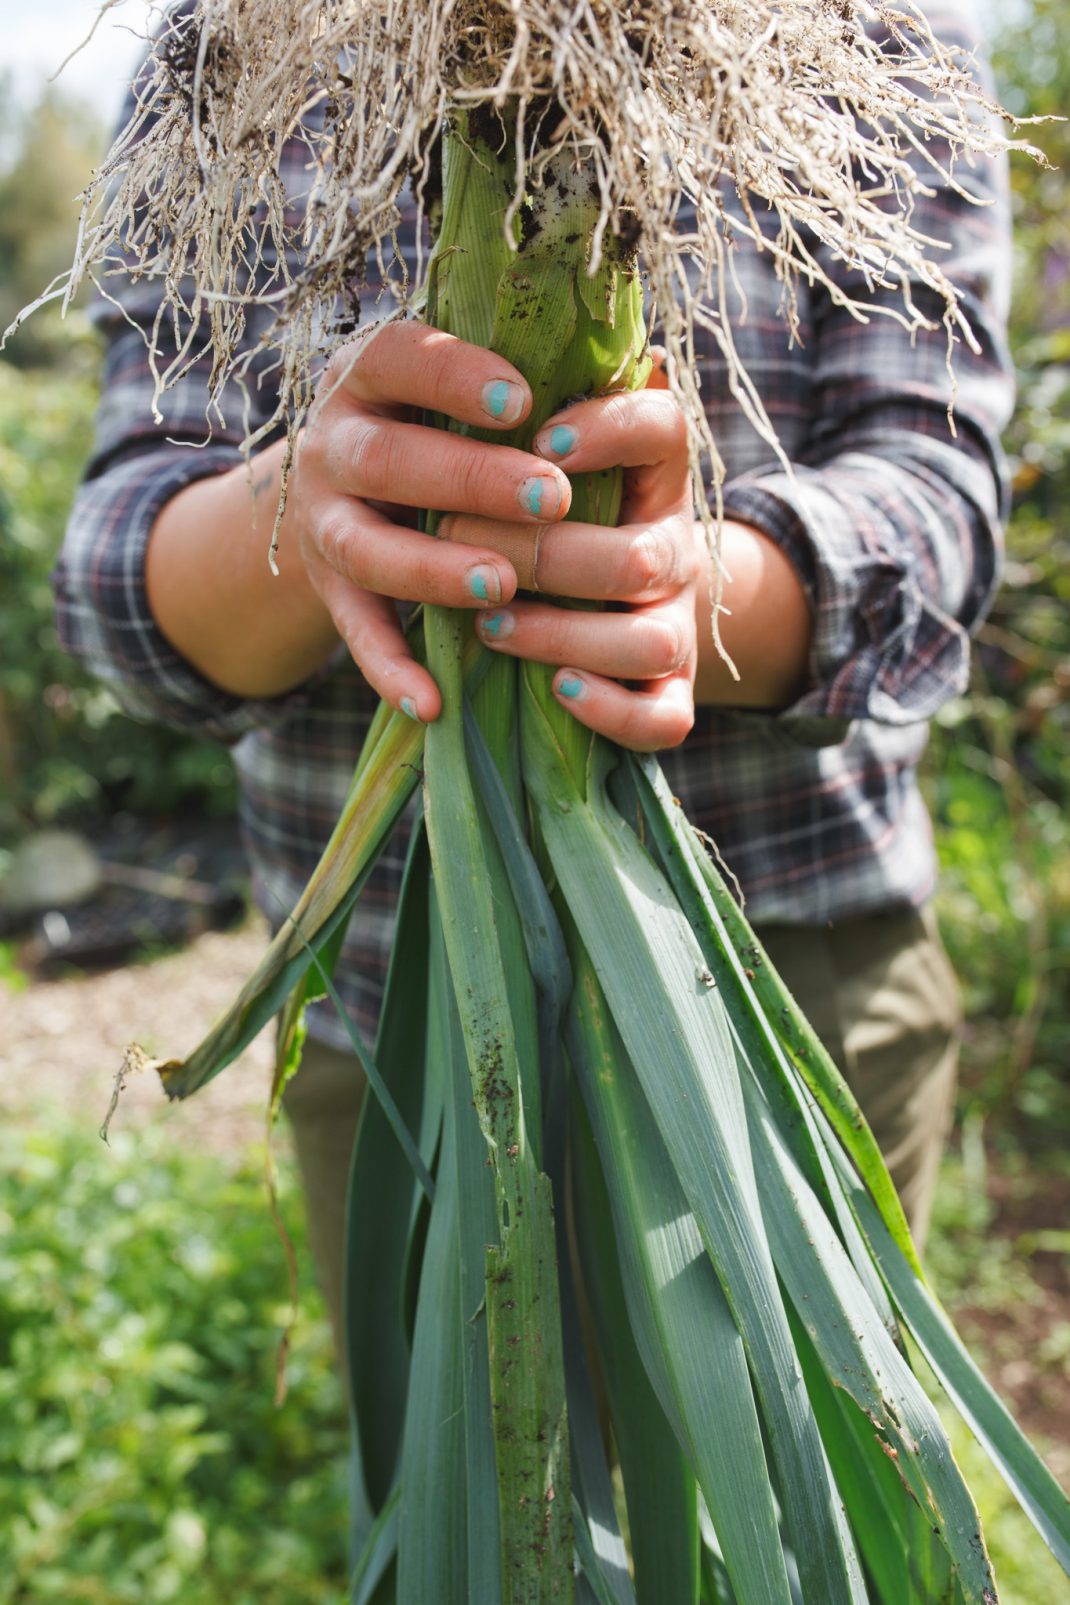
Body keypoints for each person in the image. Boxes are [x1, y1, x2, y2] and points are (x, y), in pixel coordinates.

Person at [55, 0, 1013, 1355]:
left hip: (795, 987)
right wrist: (308, 504)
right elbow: (112, 574)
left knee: (801, 1542)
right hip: (391, 1010)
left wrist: (690, 588)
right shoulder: (232, 37)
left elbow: (939, 506)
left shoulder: (880, 31)